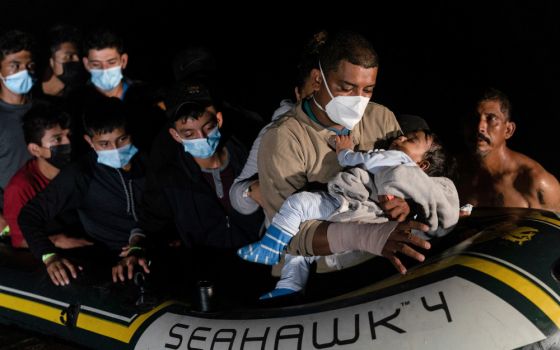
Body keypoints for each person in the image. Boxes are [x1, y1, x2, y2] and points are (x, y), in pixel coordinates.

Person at [257, 31, 430, 277]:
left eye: (368, 90)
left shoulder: (381, 118)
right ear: (318, 79)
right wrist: (366, 236)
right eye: (347, 88)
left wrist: (404, 202)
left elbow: (408, 176)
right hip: (322, 274)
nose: (358, 100)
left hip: (383, 257)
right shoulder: (283, 139)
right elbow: (289, 235)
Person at [241, 122, 459, 299]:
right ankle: (290, 285)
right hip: (356, 219)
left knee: (299, 205)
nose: (401, 138)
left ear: (423, 166)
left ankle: (272, 249)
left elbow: (362, 159)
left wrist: (345, 151)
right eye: (405, 135)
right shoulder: (409, 172)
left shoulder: (396, 159)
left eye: (410, 140)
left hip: (349, 205)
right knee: (300, 246)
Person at [113, 84, 270, 302]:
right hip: (208, 281)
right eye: (189, 133)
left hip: (265, 268)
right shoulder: (169, 177)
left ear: (219, 121)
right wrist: (136, 248)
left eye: (207, 128)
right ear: (176, 136)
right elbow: (150, 223)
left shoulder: (253, 155)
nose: (201, 137)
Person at [19, 97, 147, 287]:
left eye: (122, 139)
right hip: (112, 267)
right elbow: (30, 215)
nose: (115, 150)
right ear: (89, 141)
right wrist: (49, 256)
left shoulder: (151, 161)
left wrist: (139, 244)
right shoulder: (82, 173)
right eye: (104, 144)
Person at [3, 102, 91, 250]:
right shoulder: (20, 189)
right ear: (35, 150)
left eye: (69, 135)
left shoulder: (81, 168)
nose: (68, 143)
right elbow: (20, 243)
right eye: (57, 139)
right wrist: (56, 241)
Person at [458, 88, 560, 212]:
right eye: (473, 118)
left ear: (508, 130)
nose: (480, 127)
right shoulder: (452, 174)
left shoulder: (536, 182)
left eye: (491, 118)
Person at [0, 29, 37, 237]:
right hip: (10, 225)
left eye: (29, 66)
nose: (24, 72)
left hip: (47, 216)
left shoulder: (46, 111)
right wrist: (4, 225)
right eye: (15, 66)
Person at [37, 24, 88, 99]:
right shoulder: (31, 95)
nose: (77, 60)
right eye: (69, 57)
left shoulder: (81, 93)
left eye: (78, 56)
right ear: (51, 61)